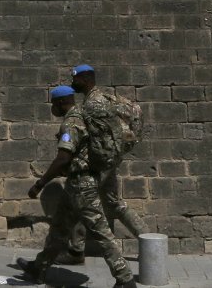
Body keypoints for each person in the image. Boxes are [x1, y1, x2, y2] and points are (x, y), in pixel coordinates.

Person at [18, 85, 136, 288]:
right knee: (59, 228)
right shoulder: (83, 114)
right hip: (76, 185)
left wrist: (40, 184)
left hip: (83, 187)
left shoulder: (72, 122)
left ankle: (125, 279)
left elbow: (62, 158)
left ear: (62, 102)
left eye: (54, 103)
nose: (53, 108)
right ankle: (40, 267)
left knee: (101, 232)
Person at [70, 64, 145, 246]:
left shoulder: (93, 103)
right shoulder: (106, 98)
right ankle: (148, 240)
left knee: (82, 199)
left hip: (99, 162)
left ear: (86, 79)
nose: (73, 82)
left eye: (76, 79)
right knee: (113, 203)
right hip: (110, 160)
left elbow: (96, 137)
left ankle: (76, 249)